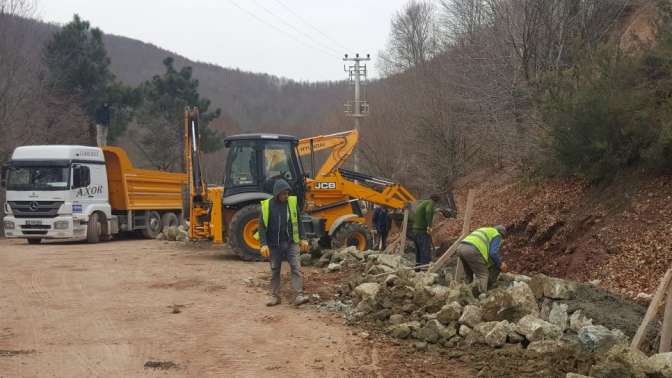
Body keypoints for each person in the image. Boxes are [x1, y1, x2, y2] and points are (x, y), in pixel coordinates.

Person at [257, 179, 310, 307]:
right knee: (275, 270)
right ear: (277, 194)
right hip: (274, 244)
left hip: (291, 242)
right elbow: (262, 227)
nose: (286, 196)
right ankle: (275, 297)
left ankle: (299, 295)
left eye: (287, 193)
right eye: (283, 194)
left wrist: (303, 238)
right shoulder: (267, 206)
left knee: (296, 268)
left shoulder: (291, 203)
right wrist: (263, 244)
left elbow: (299, 221)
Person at [456, 225, 509, 294]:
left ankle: (463, 294)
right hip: (471, 250)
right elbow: (493, 253)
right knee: (483, 274)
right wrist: (500, 264)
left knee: (469, 275)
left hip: (461, 248)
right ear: (501, 234)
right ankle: (482, 297)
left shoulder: (485, 230)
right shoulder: (497, 235)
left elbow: (485, 255)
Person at [410, 194, 441, 267]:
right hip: (422, 232)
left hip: (415, 231)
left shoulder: (423, 203)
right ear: (435, 201)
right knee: (425, 251)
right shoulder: (430, 204)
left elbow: (426, 211)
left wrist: (435, 211)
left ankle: (418, 268)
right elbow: (428, 211)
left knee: (418, 251)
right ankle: (425, 269)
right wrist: (429, 226)